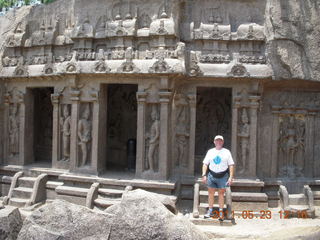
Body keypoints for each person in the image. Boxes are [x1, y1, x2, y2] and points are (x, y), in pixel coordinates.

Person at [202, 135, 234, 220]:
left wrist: (230, 177)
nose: (219, 142)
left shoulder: (226, 152)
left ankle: (220, 212)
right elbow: (205, 164)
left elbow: (231, 165)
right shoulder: (210, 152)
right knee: (211, 194)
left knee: (221, 194)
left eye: (220, 141)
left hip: (223, 175)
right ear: (214, 142)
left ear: (223, 142)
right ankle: (210, 210)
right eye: (217, 141)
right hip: (212, 175)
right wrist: (204, 174)